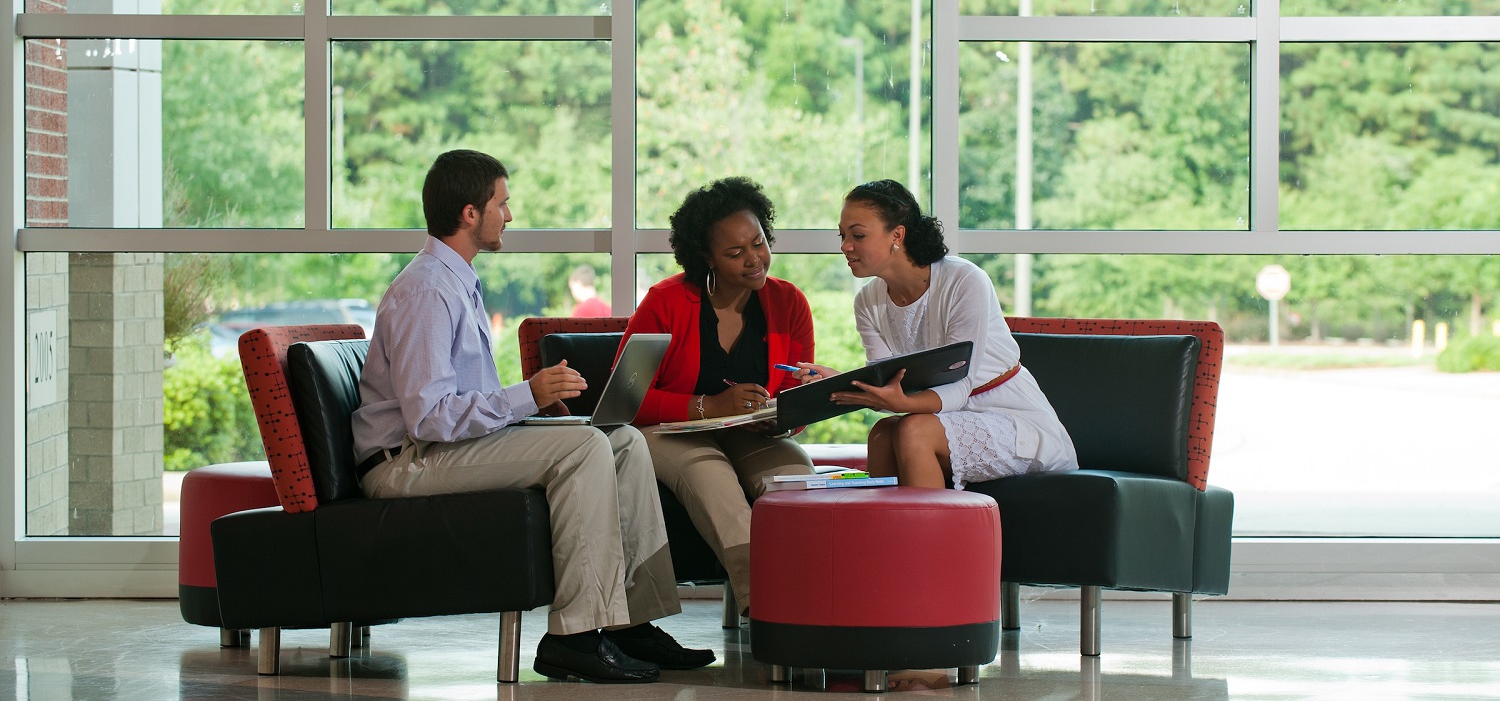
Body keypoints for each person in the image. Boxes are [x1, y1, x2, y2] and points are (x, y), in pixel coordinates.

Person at [351, 149, 714, 683]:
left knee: (621, 441)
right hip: (406, 462)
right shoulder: (427, 290)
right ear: (470, 213)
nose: (510, 215)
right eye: (503, 202)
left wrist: (536, 408)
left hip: (439, 449)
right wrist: (526, 395)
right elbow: (429, 418)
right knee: (585, 447)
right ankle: (574, 636)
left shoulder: (456, 281)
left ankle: (630, 623)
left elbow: (461, 405)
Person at [792, 179, 1077, 489]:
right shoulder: (867, 301)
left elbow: (959, 388)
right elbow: (891, 386)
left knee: (913, 430)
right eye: (842, 235)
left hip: (1010, 417)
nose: (845, 246)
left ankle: (927, 538)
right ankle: (890, 538)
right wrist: (845, 381)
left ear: (897, 235)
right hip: (937, 416)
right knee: (882, 434)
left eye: (857, 235)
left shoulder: (965, 281)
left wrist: (895, 400)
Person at [620, 177, 816, 614]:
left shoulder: (789, 303)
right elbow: (626, 401)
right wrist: (709, 407)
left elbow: (795, 393)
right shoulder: (665, 302)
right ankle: (771, 611)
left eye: (759, 243)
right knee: (715, 484)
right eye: (735, 253)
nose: (754, 260)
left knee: (797, 480)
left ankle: (817, 600)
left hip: (753, 433)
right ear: (705, 256)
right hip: (669, 431)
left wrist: (785, 415)